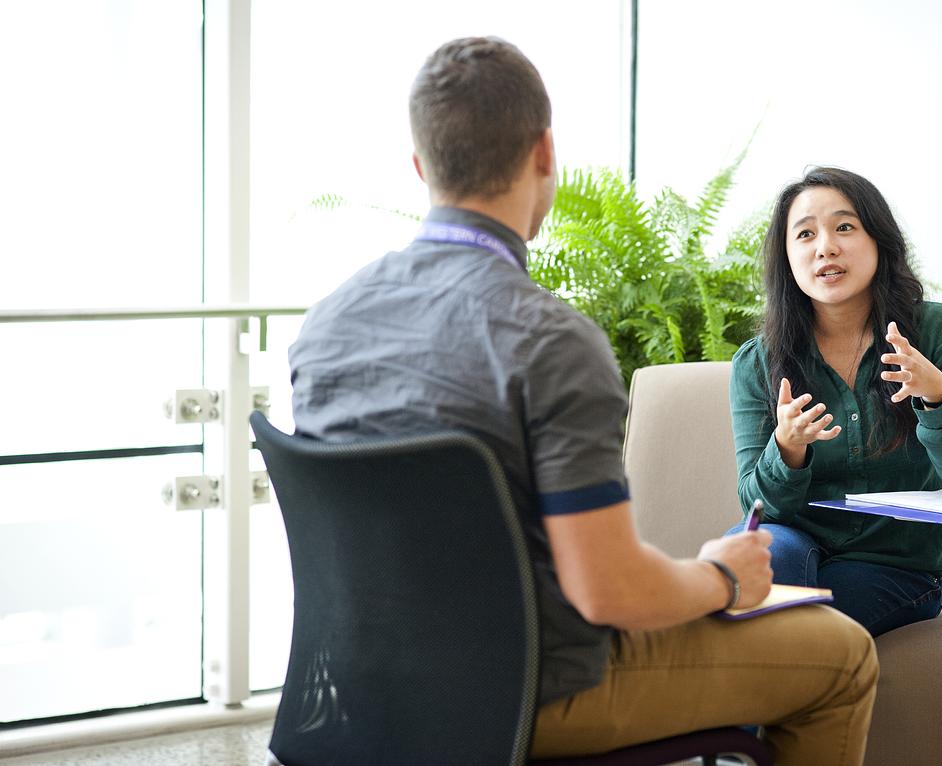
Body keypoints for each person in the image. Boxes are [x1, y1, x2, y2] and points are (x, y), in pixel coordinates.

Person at [289, 37, 877, 764]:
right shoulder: (549, 340)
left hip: (360, 692)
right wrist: (722, 575)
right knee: (843, 655)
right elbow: (610, 595)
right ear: (544, 154)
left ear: (421, 167)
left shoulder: (327, 324)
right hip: (533, 692)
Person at [729, 166, 942, 638]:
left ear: (880, 241)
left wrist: (937, 395)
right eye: (805, 234)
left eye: (844, 227)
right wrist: (787, 449)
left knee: (789, 633)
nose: (825, 246)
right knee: (764, 553)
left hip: (895, 568)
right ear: (787, 258)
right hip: (794, 546)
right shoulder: (757, 362)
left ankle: (735, 709)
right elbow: (758, 509)